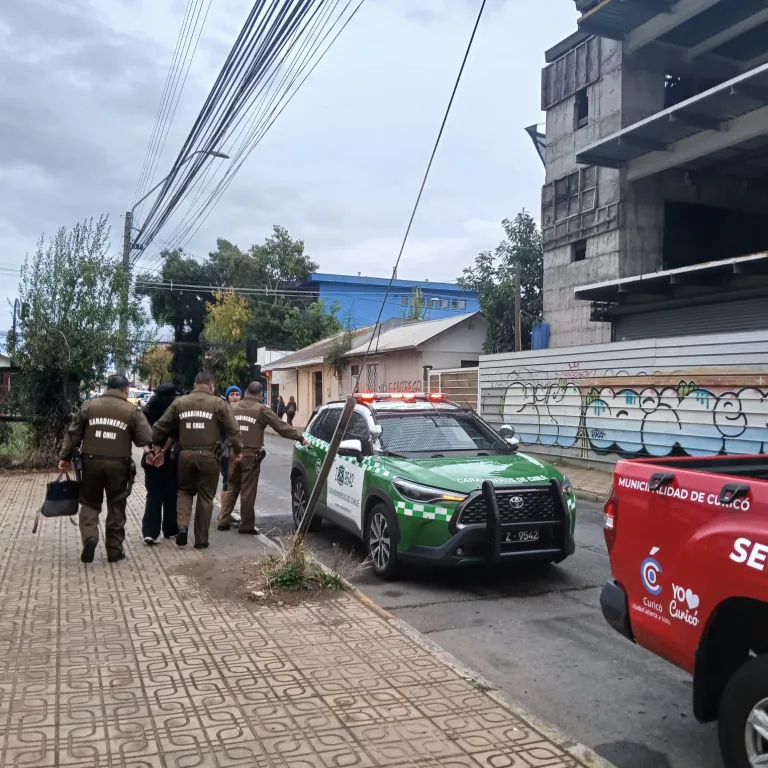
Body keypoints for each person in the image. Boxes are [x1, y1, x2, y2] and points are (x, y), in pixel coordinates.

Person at [58, 373, 152, 564]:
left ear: (107, 388)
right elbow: (145, 438)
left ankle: (90, 537)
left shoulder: (89, 406)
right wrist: (151, 453)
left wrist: (64, 458)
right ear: (126, 390)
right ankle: (115, 551)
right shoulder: (132, 411)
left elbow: (73, 433)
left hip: (90, 463)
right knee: (117, 506)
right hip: (119, 465)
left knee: (90, 503)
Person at [150, 371, 243, 549]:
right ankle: (201, 540)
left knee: (184, 491)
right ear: (212, 386)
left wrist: (155, 446)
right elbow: (234, 430)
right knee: (206, 497)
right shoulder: (219, 403)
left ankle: (183, 526)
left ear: (194, 385)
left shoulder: (180, 402)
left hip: (184, 456)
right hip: (209, 457)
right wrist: (238, 450)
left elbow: (160, 426)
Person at [217, 381, 308, 534]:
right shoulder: (261, 410)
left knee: (232, 486)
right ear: (260, 395)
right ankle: (246, 526)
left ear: (246, 391)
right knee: (247, 490)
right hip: (250, 455)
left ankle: (223, 520)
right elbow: (281, 427)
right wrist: (300, 437)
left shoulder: (232, 407)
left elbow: (219, 426)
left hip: (233, 453)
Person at [141, 384, 180, 544]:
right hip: (170, 459)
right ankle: (170, 530)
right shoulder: (175, 412)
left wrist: (151, 451)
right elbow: (175, 434)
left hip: (150, 458)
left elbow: (142, 435)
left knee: (153, 495)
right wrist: (163, 452)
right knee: (171, 495)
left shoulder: (147, 412)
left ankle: (150, 532)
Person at [220, 385, 242, 493]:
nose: (235, 397)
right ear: (227, 397)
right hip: (226, 450)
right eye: (232, 394)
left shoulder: (245, 410)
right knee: (227, 478)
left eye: (237, 395)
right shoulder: (222, 410)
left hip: (240, 449)